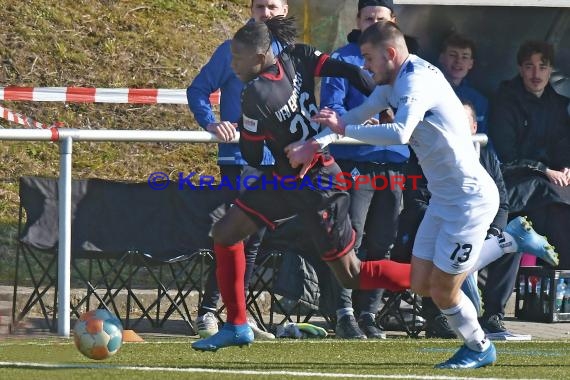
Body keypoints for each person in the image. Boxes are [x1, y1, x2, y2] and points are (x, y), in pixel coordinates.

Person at [191, 16, 413, 352]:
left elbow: (251, 155)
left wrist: (252, 128)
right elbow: (350, 71)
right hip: (286, 179)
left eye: (237, 58)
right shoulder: (299, 55)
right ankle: (237, 325)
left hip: (319, 183)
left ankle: (428, 279)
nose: (232, 65)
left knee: (350, 273)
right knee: (225, 232)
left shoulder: (255, 95)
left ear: (259, 57)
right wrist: (383, 102)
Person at [291, 20, 502, 369]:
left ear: (390, 53)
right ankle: (498, 246)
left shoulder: (415, 82)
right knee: (421, 283)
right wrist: (316, 142)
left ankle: (479, 347)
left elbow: (401, 132)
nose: (365, 66)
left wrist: (345, 127)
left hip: (469, 202)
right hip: (444, 199)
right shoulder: (395, 80)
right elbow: (359, 114)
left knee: (444, 290)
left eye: (368, 58)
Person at [186, 0, 289, 340]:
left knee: (255, 242)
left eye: (273, 6)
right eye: (260, 6)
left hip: (277, 162)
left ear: (285, 9)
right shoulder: (232, 50)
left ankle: (237, 316)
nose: (267, 12)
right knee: (232, 234)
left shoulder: (291, 53)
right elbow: (198, 89)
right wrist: (211, 123)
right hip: (239, 161)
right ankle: (208, 312)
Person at [319, 0, 409, 340]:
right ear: (357, 20)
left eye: (379, 18)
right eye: (367, 17)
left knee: (383, 242)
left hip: (396, 163)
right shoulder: (342, 59)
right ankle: (344, 313)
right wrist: (358, 122)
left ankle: (368, 312)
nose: (372, 23)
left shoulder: (405, 63)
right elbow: (331, 107)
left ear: (393, 22)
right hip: (355, 162)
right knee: (348, 238)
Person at [488, 40, 570, 269]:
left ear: (551, 69)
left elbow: (563, 143)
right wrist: (543, 170)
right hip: (514, 181)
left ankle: (560, 282)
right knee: (549, 206)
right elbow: (507, 157)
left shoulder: (557, 105)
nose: (536, 73)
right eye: (529, 66)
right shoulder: (505, 102)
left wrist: (566, 166)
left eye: (542, 66)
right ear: (519, 69)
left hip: (550, 184)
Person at [438, 33, 489, 133]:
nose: (458, 61)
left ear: (471, 64)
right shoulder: (428, 92)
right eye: (453, 55)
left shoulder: (479, 100)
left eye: (464, 57)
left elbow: (483, 138)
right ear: (442, 58)